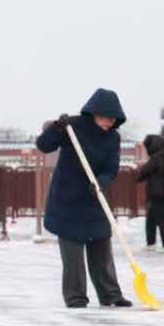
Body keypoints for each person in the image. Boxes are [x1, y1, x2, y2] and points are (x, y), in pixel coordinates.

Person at [36, 92, 132, 309]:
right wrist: (57, 128)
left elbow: (111, 168)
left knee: (101, 251)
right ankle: (76, 298)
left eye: (114, 119)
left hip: (95, 198)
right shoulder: (73, 127)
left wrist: (101, 182)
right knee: (73, 258)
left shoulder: (113, 137)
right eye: (108, 117)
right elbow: (44, 145)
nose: (111, 122)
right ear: (95, 113)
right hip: (67, 201)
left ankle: (111, 295)